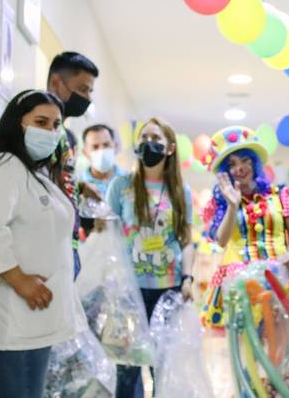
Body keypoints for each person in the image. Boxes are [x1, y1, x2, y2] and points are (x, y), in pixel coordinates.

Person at [0, 90, 87, 398]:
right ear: (16, 123)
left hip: (36, 315)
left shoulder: (32, 171)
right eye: (41, 121)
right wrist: (18, 279)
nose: (50, 132)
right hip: (17, 315)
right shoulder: (1, 165)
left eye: (55, 125)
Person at [106, 118, 195, 398]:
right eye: (143, 137)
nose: (148, 143)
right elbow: (109, 234)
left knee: (162, 365)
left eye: (155, 138)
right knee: (129, 365)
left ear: (169, 148)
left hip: (168, 290)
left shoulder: (181, 191)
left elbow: (186, 240)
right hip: (129, 290)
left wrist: (188, 278)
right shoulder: (121, 186)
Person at [200, 126, 289, 330]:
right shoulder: (221, 204)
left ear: (254, 162)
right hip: (241, 284)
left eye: (245, 160)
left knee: (285, 343)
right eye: (232, 164)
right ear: (224, 172)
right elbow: (221, 241)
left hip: (281, 276)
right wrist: (232, 205)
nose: (240, 168)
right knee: (247, 346)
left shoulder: (281, 195)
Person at [46, 51, 100, 279]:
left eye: (90, 91)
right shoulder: (40, 131)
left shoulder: (67, 136)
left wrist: (80, 187)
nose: (86, 98)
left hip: (69, 243)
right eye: (82, 89)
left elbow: (58, 178)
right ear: (56, 83)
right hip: (46, 244)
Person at [79, 123, 126, 199]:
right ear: (85, 152)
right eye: (95, 147)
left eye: (106, 145)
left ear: (116, 146)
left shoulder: (129, 180)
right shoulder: (78, 185)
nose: (102, 151)